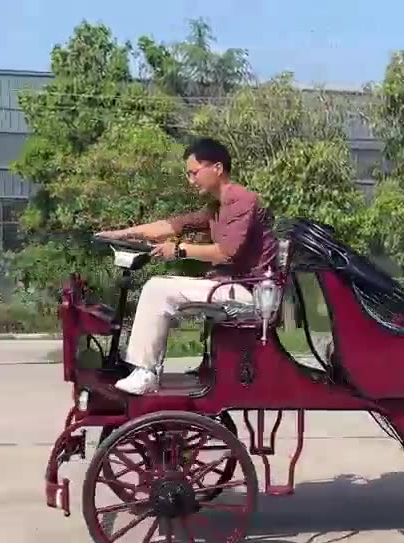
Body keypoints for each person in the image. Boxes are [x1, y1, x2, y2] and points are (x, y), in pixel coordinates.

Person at [97, 137, 278, 395]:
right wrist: (122, 234)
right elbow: (171, 226)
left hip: (253, 295)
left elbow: (226, 253)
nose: (190, 180)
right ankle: (146, 369)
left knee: (157, 289)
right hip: (231, 287)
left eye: (194, 173)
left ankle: (147, 372)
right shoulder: (217, 206)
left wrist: (180, 250)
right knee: (161, 286)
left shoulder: (241, 200)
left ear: (216, 168)